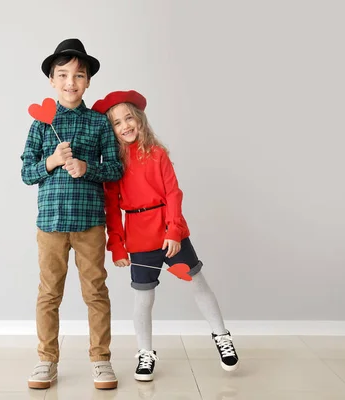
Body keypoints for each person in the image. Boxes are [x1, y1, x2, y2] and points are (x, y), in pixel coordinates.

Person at [92, 90, 239, 382]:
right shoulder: (113, 167)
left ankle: (222, 336)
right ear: (110, 131)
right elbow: (111, 208)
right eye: (116, 123)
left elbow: (173, 193)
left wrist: (173, 231)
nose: (124, 126)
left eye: (128, 118)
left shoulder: (157, 154)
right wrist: (117, 246)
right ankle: (145, 354)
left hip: (170, 233)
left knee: (198, 283)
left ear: (140, 120)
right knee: (143, 300)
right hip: (139, 237)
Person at [21, 39, 123, 390]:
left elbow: (114, 169)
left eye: (78, 76)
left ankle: (101, 359)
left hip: (89, 224)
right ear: (51, 80)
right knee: (49, 293)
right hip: (50, 225)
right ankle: (46, 360)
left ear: (88, 81)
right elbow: (26, 172)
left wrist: (86, 166)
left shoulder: (98, 123)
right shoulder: (41, 125)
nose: (70, 82)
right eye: (62, 75)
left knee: (95, 290)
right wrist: (52, 161)